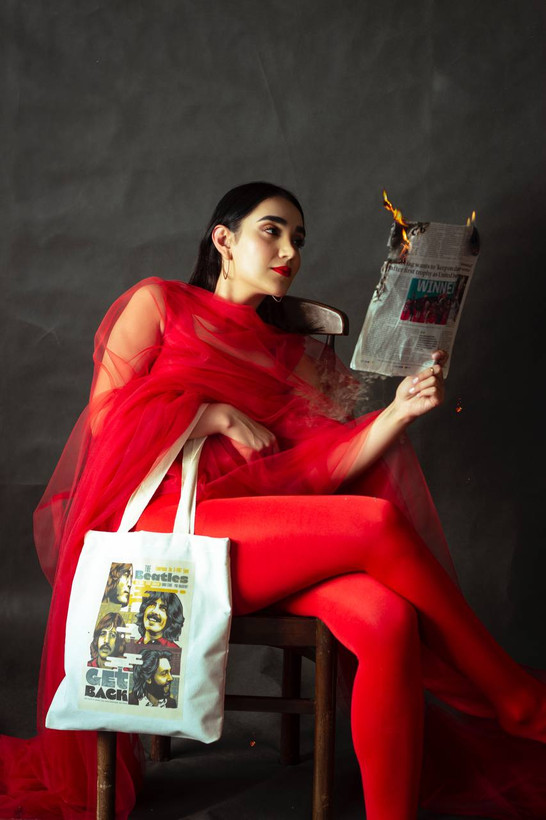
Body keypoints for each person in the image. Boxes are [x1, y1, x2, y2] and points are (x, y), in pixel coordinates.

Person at [1, 181, 546, 820]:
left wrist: (399, 412)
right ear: (224, 240)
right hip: (166, 531)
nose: (290, 251)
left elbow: (322, 467)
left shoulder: (291, 356)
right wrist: (211, 415)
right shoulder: (160, 303)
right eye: (272, 231)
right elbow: (104, 421)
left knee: (387, 620)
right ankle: (517, 699)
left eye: (299, 239)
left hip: (258, 541)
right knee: (373, 521)